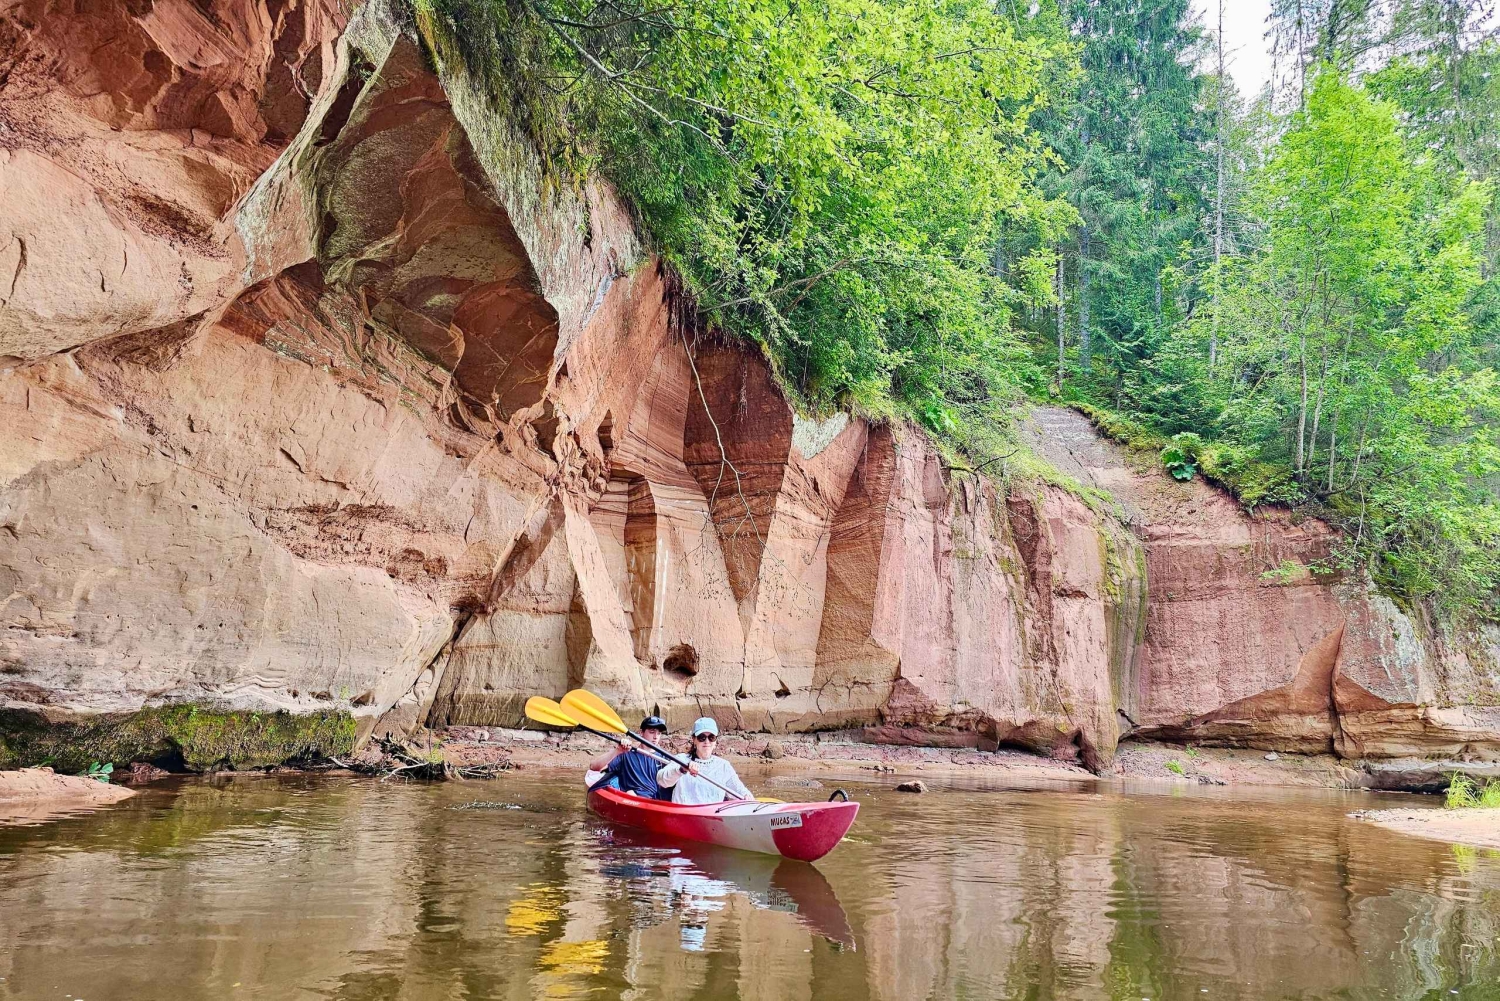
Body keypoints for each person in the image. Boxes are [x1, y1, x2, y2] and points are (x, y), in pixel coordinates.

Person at [656, 717, 753, 805]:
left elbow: (739, 791)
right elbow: (661, 781)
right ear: (694, 740)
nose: (707, 741)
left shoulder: (723, 766)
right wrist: (681, 770)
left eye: (711, 737)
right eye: (702, 737)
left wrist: (747, 796)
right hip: (684, 816)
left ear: (715, 741)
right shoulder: (681, 759)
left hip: (711, 817)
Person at [587, 716, 671, 799]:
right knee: (630, 794)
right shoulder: (626, 754)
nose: (656, 737)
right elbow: (594, 766)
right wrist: (617, 751)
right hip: (634, 799)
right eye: (652, 732)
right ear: (641, 733)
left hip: (656, 802)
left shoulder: (664, 758)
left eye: (659, 733)